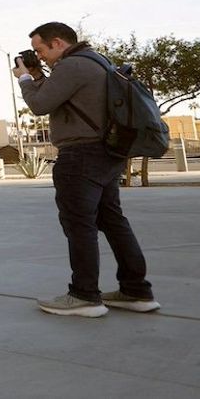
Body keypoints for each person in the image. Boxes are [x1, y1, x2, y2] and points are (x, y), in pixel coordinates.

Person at [15, 22, 158, 317]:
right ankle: (136, 291)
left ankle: (84, 295)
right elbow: (59, 96)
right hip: (106, 152)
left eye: (40, 49)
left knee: (79, 225)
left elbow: (41, 104)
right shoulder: (98, 61)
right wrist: (39, 75)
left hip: (80, 155)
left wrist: (25, 79)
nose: (38, 56)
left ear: (57, 43)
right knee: (113, 221)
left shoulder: (72, 66)